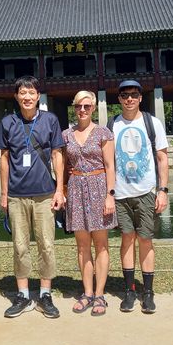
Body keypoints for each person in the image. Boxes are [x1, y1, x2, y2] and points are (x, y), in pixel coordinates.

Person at [0, 75, 66, 318]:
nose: (27, 97)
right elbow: (5, 158)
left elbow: (58, 155)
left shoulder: (50, 120)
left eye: (32, 93)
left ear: (39, 96)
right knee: (19, 246)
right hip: (17, 194)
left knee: (47, 245)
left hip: (45, 194)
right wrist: (4, 193)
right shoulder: (8, 122)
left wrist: (60, 189)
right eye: (22, 93)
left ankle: (46, 293)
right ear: (16, 96)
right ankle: (23, 295)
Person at [109, 79, 168, 314]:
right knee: (127, 240)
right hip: (121, 194)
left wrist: (162, 191)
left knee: (146, 240)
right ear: (119, 99)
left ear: (141, 97)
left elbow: (162, 158)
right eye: (124, 95)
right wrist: (109, 193)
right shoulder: (112, 125)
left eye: (134, 94)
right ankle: (129, 290)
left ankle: (148, 292)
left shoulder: (152, 123)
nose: (129, 99)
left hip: (146, 192)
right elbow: (107, 162)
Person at [62, 90, 116, 316]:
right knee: (82, 246)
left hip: (98, 186)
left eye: (86, 106)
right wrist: (62, 190)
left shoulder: (104, 133)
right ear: (73, 108)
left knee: (101, 244)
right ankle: (87, 292)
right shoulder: (66, 135)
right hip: (75, 188)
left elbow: (110, 165)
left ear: (93, 107)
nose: (82, 110)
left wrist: (110, 195)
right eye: (78, 106)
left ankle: (100, 294)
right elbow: (63, 166)